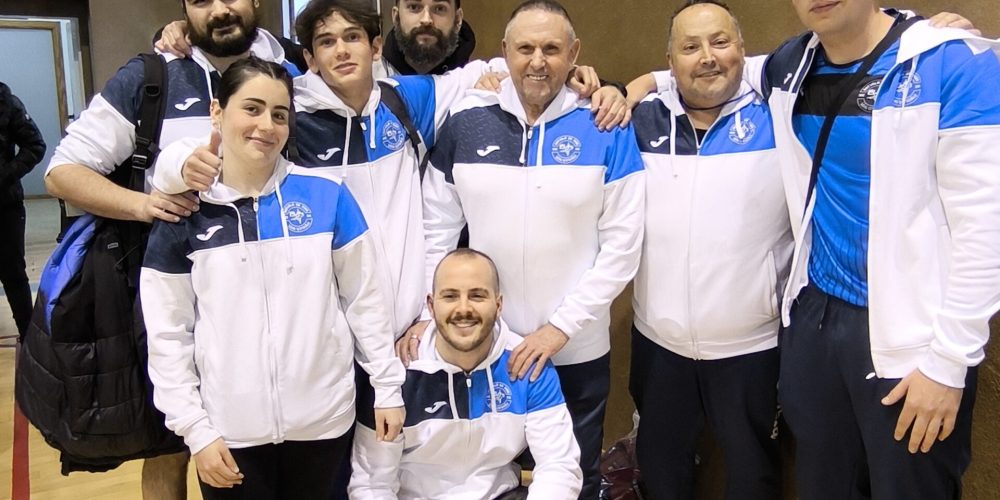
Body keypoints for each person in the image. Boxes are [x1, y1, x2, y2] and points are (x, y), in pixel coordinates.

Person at [36, 0, 297, 495]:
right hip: (171, 294)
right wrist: (145, 205)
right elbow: (61, 173)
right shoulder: (151, 75)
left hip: (279, 292)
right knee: (170, 445)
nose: (219, 9)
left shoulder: (293, 65)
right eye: (200, 1)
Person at [751, 2, 1000, 498]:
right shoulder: (789, 66)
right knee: (823, 485)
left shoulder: (952, 63)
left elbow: (986, 228)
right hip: (816, 323)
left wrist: (948, 362)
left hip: (913, 339)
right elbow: (720, 69)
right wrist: (636, 85)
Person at [140, 56, 405, 499]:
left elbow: (366, 301)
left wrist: (387, 387)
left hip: (323, 423)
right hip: (230, 434)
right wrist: (195, 429)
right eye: (252, 108)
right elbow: (168, 333)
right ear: (217, 111)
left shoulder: (328, 195)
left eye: (280, 114)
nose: (266, 125)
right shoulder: (185, 211)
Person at [420, 2, 645, 497]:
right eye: (525, 48)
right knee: (485, 481)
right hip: (485, 347)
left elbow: (623, 247)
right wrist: (426, 312)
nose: (537, 61)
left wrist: (559, 329)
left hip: (576, 349)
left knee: (572, 478)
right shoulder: (465, 120)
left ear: (574, 53)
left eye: (551, 48)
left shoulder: (605, 125)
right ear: (505, 52)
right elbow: (435, 231)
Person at [627, 2, 790, 498]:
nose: (707, 57)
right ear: (670, 60)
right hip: (659, 344)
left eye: (720, 42)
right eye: (690, 47)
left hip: (753, 347)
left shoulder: (781, 111)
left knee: (754, 476)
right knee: (661, 472)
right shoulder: (638, 119)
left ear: (742, 48)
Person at [350, 248, 582, 499]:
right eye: (450, 296)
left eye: (477, 296)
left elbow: (558, 466)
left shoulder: (526, 364)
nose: (463, 308)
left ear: (498, 305)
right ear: (431, 306)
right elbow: (372, 485)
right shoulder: (394, 376)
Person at [0, 82, 45, 340]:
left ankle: (30, 340)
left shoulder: (6, 102)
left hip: (5, 205)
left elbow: (35, 146)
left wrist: (4, 175)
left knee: (13, 273)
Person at [381, 0, 474, 76]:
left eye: (440, 8)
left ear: (457, 19)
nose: (426, 20)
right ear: (396, 17)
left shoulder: (475, 81)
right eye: (414, 7)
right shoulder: (375, 81)